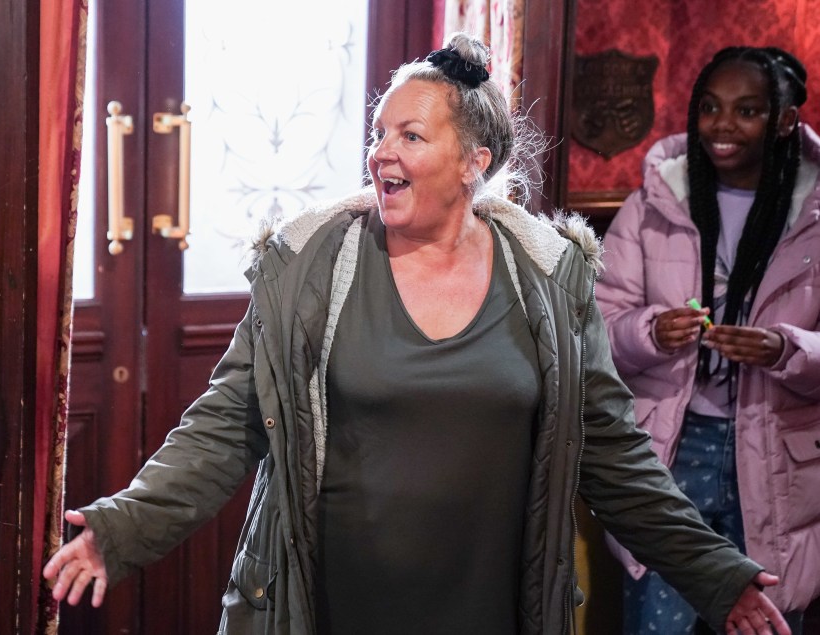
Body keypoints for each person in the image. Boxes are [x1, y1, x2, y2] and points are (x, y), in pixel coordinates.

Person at [44, 34, 792, 634]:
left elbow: (614, 454)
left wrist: (715, 574)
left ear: (475, 162)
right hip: (324, 608)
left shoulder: (548, 281)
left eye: (410, 134)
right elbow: (223, 425)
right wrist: (122, 527)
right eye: (378, 134)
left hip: (493, 612)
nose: (382, 152)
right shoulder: (307, 269)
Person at [597, 45, 820, 635]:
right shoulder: (652, 204)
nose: (723, 125)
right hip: (673, 447)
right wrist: (651, 331)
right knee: (657, 624)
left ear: (784, 121)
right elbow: (594, 330)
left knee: (767, 621)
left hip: (782, 456)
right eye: (710, 108)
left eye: (747, 111)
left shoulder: (814, 214)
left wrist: (785, 348)